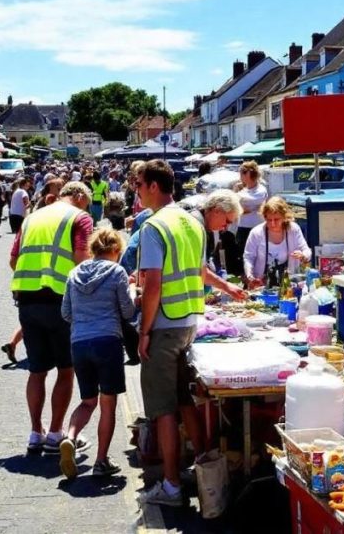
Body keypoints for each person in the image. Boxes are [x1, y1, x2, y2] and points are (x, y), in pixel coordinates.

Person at [134, 159, 209, 507]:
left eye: (139, 184)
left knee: (163, 407)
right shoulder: (192, 221)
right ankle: (202, 465)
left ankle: (171, 485)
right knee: (183, 399)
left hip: (164, 324)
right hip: (189, 322)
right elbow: (200, 271)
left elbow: (152, 286)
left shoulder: (153, 226)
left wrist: (144, 331)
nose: (136, 191)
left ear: (153, 186)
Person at [10, 181, 94, 454]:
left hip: (27, 298)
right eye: (87, 202)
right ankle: (56, 433)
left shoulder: (32, 217)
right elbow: (82, 259)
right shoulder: (79, 218)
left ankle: (36, 432)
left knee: (37, 370)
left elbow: (13, 259)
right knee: (65, 369)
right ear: (79, 196)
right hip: (61, 300)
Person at [58, 228, 136, 479]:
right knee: (108, 404)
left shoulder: (74, 273)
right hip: (107, 341)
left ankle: (69, 438)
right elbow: (127, 311)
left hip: (79, 343)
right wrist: (134, 292)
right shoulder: (117, 272)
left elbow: (66, 313)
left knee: (87, 401)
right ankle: (101, 460)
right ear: (115, 250)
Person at [243, 196, 312, 289]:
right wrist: (249, 275)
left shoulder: (293, 229)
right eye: (269, 220)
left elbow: (306, 250)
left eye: (276, 219)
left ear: (284, 217)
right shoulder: (256, 233)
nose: (272, 223)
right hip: (261, 285)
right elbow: (248, 257)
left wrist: (303, 256)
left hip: (288, 284)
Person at [231, 161, 268, 278]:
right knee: (243, 255)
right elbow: (237, 206)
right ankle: (247, 279)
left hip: (256, 228)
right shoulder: (242, 190)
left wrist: (238, 199)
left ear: (248, 174)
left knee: (258, 255)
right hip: (242, 228)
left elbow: (253, 200)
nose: (240, 176)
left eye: (242, 173)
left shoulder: (261, 190)